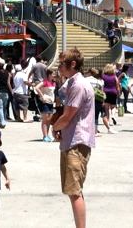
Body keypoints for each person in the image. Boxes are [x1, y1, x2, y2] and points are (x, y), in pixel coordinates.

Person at [52, 48, 95, 228]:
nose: (59, 67)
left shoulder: (78, 85)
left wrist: (54, 127)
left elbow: (68, 115)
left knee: (75, 191)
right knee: (73, 190)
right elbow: (60, 103)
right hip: (72, 140)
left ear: (73, 64)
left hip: (77, 142)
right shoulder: (71, 83)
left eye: (62, 64)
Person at [35, 69, 56, 142]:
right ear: (49, 74)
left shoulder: (53, 83)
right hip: (45, 102)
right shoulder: (45, 82)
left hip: (51, 102)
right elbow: (37, 88)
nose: (54, 75)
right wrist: (42, 96)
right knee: (45, 120)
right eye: (53, 73)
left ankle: (47, 135)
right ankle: (45, 136)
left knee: (49, 120)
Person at [87, 68, 109, 135]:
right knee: (96, 116)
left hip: (87, 99)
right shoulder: (99, 82)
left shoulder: (86, 80)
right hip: (97, 100)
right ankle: (95, 131)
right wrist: (103, 102)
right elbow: (102, 93)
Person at [0, 58, 12, 129]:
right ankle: (3, 120)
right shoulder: (7, 73)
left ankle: (2, 122)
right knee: (4, 108)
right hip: (6, 92)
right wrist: (11, 91)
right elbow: (8, 83)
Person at [102, 64, 120, 133]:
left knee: (106, 108)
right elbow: (117, 85)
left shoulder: (103, 76)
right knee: (113, 106)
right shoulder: (114, 77)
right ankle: (113, 115)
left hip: (105, 92)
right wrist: (118, 93)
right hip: (113, 92)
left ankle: (108, 122)